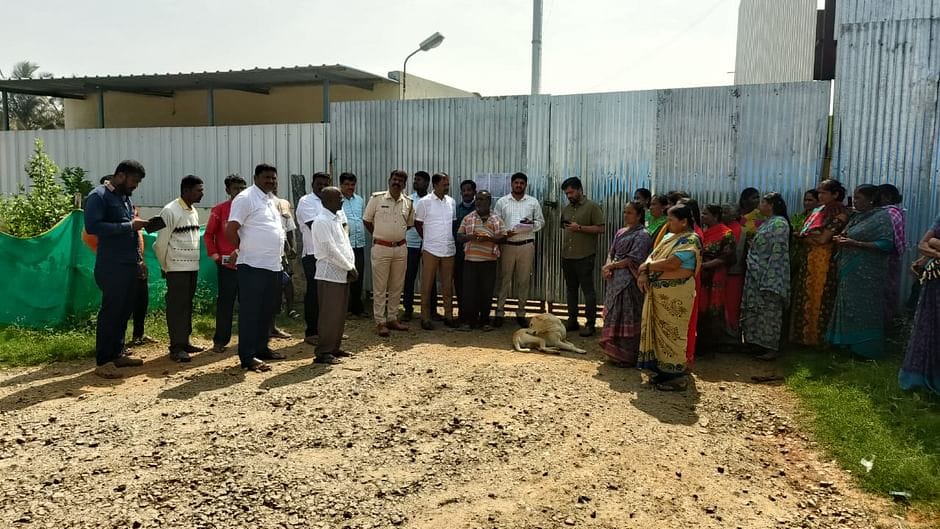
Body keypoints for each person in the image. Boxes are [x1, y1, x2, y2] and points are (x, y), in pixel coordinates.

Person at [84, 161, 149, 377]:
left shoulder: (124, 198)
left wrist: (139, 260)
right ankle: (104, 361)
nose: (135, 186)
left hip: (129, 264)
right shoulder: (98, 196)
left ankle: (117, 353)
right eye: (134, 181)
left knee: (124, 310)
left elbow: (132, 234)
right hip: (112, 266)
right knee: (111, 312)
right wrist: (128, 226)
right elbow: (92, 227)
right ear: (120, 175)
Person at [225, 163, 288, 372]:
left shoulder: (271, 200)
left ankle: (262, 349)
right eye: (266, 177)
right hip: (252, 266)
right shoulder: (245, 198)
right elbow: (231, 230)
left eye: (273, 178)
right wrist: (242, 249)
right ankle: (247, 356)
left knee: (267, 311)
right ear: (256, 178)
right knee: (250, 312)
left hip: (273, 265)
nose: (271, 181)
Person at [637, 203, 702, 391]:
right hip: (658, 293)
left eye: (671, 220)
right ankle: (662, 372)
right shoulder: (668, 237)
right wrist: (644, 271)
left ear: (684, 222)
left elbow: (673, 264)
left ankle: (677, 377)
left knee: (674, 333)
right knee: (658, 333)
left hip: (677, 294)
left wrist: (647, 267)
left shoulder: (691, 240)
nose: (668, 223)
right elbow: (653, 256)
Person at [827, 184, 895, 359]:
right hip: (850, 272)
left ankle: (865, 350)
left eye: (858, 198)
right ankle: (845, 343)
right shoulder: (857, 217)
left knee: (865, 310)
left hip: (868, 274)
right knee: (848, 306)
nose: (854, 201)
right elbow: (849, 234)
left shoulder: (881, 218)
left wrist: (855, 244)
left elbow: (886, 244)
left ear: (871, 200)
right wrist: (841, 238)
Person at [789, 179, 848, 346]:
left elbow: (823, 239)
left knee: (820, 295)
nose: (820, 196)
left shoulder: (840, 213)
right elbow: (805, 233)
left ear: (835, 194)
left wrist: (806, 237)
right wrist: (807, 236)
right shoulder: (819, 210)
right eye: (819, 192)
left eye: (824, 192)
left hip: (825, 260)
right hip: (810, 257)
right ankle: (803, 337)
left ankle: (817, 339)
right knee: (806, 294)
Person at [153, 175, 205, 362]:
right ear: (186, 191)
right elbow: (160, 245)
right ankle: (176, 347)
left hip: (192, 267)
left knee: (187, 304)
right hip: (176, 268)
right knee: (177, 307)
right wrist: (165, 266)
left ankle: (185, 341)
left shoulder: (193, 210)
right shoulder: (170, 211)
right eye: (198, 190)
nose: (202, 194)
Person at [599, 201, 652, 366]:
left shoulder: (643, 235)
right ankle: (613, 353)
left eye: (629, 213)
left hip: (629, 282)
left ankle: (627, 357)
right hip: (614, 281)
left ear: (639, 215)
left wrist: (612, 266)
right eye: (624, 212)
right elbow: (612, 252)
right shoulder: (621, 232)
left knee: (627, 315)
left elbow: (634, 259)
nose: (625, 215)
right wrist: (607, 266)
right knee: (614, 313)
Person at [363, 170, 414, 337]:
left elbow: (409, 224)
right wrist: (380, 235)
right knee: (380, 287)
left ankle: (392, 318)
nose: (396, 183)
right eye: (394, 179)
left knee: (397, 286)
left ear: (404, 184)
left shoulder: (408, 202)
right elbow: (367, 220)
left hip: (400, 248)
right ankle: (380, 321)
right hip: (381, 248)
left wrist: (395, 235)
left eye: (400, 181)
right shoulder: (377, 199)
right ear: (389, 180)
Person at [741, 193, 791, 359]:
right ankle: (756, 344)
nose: (759, 205)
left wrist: (771, 277)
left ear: (771, 205)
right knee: (755, 309)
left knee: (769, 311)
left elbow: (778, 252)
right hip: (756, 273)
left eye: (763, 202)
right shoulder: (767, 222)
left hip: (769, 275)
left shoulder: (780, 224)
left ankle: (770, 347)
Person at [311, 187, 357, 364]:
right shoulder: (321, 221)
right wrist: (349, 266)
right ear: (328, 201)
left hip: (341, 273)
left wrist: (349, 266)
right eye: (339, 197)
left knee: (339, 313)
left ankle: (334, 347)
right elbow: (330, 250)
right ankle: (323, 351)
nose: (342, 200)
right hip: (329, 274)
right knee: (329, 314)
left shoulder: (336, 218)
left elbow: (343, 244)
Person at [494, 172, 545, 328]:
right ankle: (499, 312)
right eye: (516, 183)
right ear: (511, 184)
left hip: (526, 245)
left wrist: (531, 224)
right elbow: (496, 223)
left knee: (523, 280)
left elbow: (541, 222)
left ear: (525, 185)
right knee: (504, 279)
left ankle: (521, 312)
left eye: (521, 183)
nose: (518, 185)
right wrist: (505, 232)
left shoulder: (533, 202)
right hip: (507, 245)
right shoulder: (502, 202)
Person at [205, 173, 247, 353]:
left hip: (249, 264)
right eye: (236, 188)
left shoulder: (251, 208)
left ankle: (247, 340)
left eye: (242, 188)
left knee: (248, 304)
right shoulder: (220, 210)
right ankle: (220, 340)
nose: (239, 192)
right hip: (227, 266)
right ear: (227, 190)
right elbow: (208, 235)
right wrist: (215, 256)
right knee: (225, 303)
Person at [560, 177, 606, 336]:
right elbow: (564, 226)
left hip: (584, 256)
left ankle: (590, 324)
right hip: (567, 256)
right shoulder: (567, 208)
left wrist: (579, 228)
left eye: (571, 192)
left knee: (588, 291)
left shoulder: (592, 206)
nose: (569, 196)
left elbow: (601, 229)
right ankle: (572, 321)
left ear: (580, 190)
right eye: (567, 194)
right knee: (571, 290)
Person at [899, 218, 940, 395]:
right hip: (935, 282)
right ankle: (924, 375)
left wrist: (935, 242)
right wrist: (934, 252)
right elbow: (923, 244)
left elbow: (931, 242)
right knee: (930, 326)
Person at [455, 190, 505, 331]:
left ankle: (484, 321)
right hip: (470, 261)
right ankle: (468, 321)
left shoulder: (496, 219)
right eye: (477, 199)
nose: (478, 202)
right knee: (469, 292)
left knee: (486, 292)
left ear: (489, 202)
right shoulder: (468, 218)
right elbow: (459, 236)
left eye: (482, 199)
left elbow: (504, 237)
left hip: (489, 261)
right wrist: (470, 237)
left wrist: (488, 238)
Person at [415, 172, 458, 329]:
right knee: (427, 285)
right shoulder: (424, 202)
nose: (447, 187)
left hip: (448, 249)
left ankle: (449, 316)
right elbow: (418, 223)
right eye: (444, 184)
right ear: (435, 185)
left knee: (447, 286)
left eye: (448, 184)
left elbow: (453, 223)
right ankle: (425, 318)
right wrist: (428, 238)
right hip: (431, 249)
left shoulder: (451, 202)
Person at [295, 172, 332, 345]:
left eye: (325, 184)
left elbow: (342, 225)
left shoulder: (332, 201)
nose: (322, 187)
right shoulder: (306, 201)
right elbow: (315, 227)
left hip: (331, 255)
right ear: (312, 184)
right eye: (319, 184)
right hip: (313, 255)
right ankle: (311, 332)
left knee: (329, 294)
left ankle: (327, 330)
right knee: (314, 293)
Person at [697, 204, 737, 353]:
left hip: (715, 276)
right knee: (700, 307)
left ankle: (712, 345)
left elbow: (727, 257)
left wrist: (705, 265)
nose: (702, 216)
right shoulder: (703, 232)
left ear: (715, 216)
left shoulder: (726, 234)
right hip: (702, 276)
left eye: (706, 214)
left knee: (713, 308)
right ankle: (700, 343)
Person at [402, 170, 436, 321]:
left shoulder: (433, 200)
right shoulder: (408, 200)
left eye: (419, 180)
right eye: (415, 179)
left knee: (430, 279)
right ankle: (408, 310)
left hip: (429, 244)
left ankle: (432, 310)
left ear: (427, 183)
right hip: (411, 244)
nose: (416, 182)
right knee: (409, 277)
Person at [878, 184, 905, 328]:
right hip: (890, 256)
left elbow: (888, 237)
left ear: (887, 197)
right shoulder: (891, 212)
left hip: (888, 256)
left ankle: (885, 324)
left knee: (886, 291)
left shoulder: (890, 213)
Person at [340, 172, 366, 317]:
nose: (350, 187)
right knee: (345, 276)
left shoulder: (360, 200)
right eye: (347, 184)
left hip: (359, 244)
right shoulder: (337, 200)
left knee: (358, 276)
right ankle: (345, 308)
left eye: (352, 184)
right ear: (341, 185)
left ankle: (357, 307)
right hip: (345, 245)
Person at [453, 179, 477, 323]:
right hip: (459, 253)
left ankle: (474, 315)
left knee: (474, 284)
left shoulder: (480, 208)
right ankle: (462, 314)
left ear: (474, 192)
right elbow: (453, 231)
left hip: (476, 254)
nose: (466, 193)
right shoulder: (456, 209)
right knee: (460, 284)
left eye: (469, 190)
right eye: (464, 190)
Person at [722, 203, 745, 342]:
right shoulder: (729, 228)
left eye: (726, 212)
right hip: (731, 272)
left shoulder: (734, 230)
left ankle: (732, 335)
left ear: (735, 215)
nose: (722, 215)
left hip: (732, 273)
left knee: (731, 306)